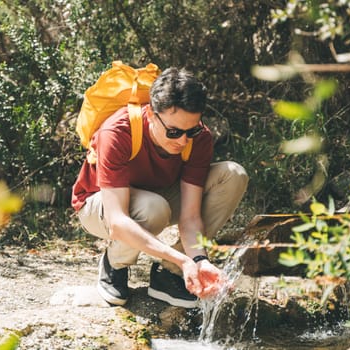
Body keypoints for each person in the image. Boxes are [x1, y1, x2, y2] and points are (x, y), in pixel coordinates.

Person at [71, 67, 248, 308]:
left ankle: (169, 275)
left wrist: (198, 260)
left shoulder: (198, 139)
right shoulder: (117, 132)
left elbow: (191, 217)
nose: (183, 141)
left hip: (156, 197)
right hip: (98, 204)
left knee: (233, 175)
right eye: (174, 132)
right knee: (153, 207)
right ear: (152, 115)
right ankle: (115, 264)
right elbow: (117, 221)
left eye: (191, 130)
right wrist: (180, 257)